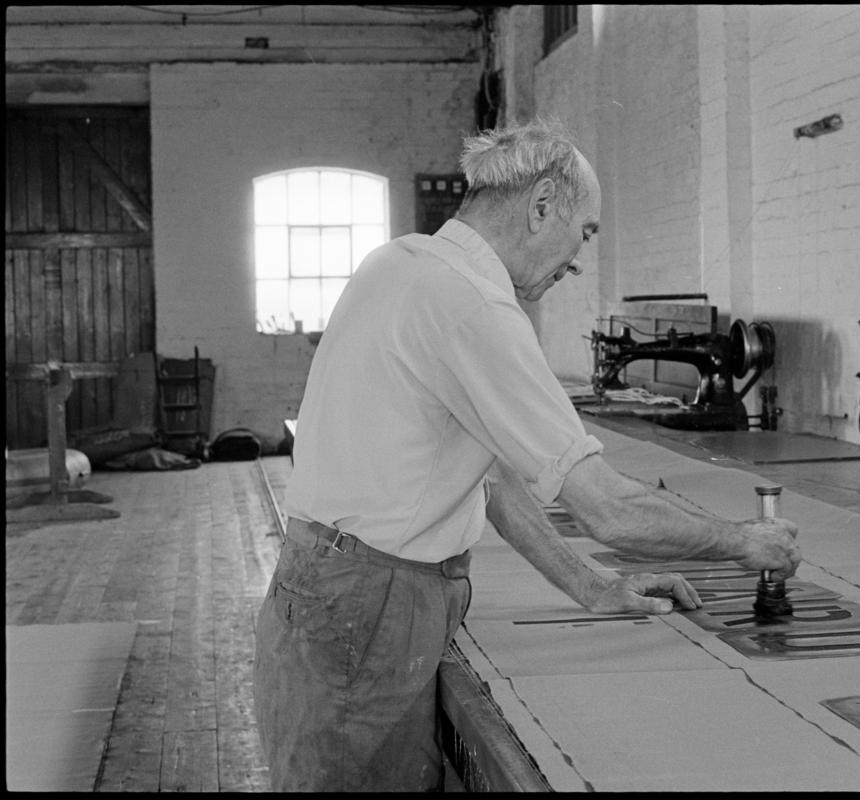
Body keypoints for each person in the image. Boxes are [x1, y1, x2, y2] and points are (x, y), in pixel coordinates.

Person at [253, 118, 801, 792]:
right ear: (542, 205)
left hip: (331, 590)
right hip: (369, 609)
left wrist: (589, 585)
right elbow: (607, 509)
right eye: (585, 233)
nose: (577, 258)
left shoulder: (398, 261)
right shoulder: (472, 307)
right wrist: (744, 543)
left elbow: (490, 475)